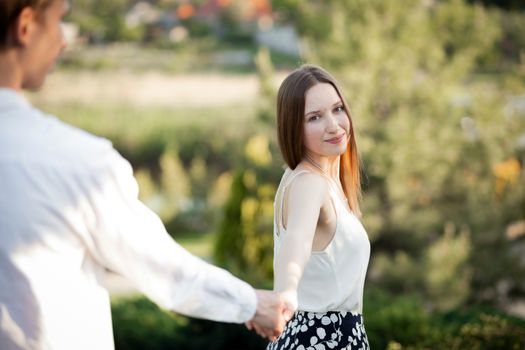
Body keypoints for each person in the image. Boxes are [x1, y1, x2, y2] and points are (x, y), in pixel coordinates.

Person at [0, 1, 290, 349]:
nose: (63, 41)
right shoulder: (75, 162)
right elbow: (161, 268)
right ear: (26, 25)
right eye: (59, 20)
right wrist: (253, 303)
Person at [267, 64, 371, 350]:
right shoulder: (310, 184)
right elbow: (297, 241)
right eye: (314, 117)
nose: (334, 125)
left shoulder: (308, 178)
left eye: (338, 109)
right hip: (323, 339)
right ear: (293, 128)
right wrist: (285, 291)